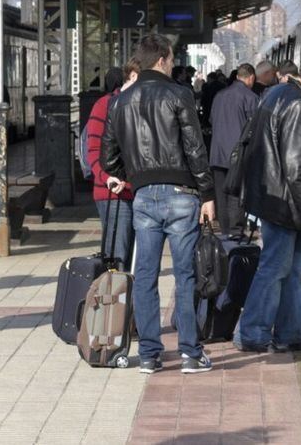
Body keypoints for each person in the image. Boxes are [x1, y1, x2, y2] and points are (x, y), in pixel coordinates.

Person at [101, 33, 217, 374]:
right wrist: (208, 194)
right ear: (163, 59)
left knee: (146, 275)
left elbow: (108, 158)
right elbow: (196, 149)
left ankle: (150, 356)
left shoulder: (120, 101)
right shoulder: (179, 93)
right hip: (182, 196)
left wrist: (134, 174)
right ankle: (190, 354)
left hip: (143, 198)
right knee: (184, 276)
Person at [235, 56, 301, 353]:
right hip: (284, 202)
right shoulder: (299, 105)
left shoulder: (277, 93)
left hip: (271, 196)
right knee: (274, 267)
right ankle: (253, 333)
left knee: (293, 267)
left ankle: (292, 331)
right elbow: (296, 165)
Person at [85, 59, 140, 269]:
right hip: (114, 193)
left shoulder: (141, 105)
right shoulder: (104, 105)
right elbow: (93, 152)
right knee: (118, 260)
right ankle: (115, 300)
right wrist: (107, 178)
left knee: (134, 261)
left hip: (138, 191)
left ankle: (127, 300)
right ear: (133, 76)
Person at [208, 63, 259, 235]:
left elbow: (211, 120)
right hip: (237, 155)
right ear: (251, 77)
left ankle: (224, 229)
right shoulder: (250, 97)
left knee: (221, 194)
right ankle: (236, 230)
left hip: (216, 153)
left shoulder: (219, 96)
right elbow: (254, 128)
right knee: (236, 193)